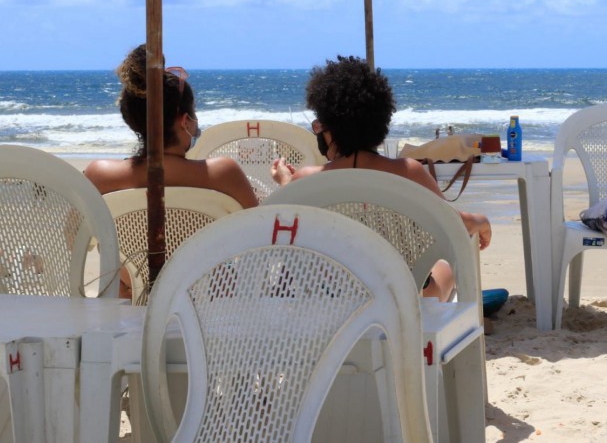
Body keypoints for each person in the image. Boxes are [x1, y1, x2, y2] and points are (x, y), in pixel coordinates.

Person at [272, 55, 492, 302]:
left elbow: (284, 221)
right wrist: (481, 221)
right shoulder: (409, 172)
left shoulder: (305, 180)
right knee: (445, 268)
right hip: (402, 303)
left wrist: (286, 184)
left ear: (330, 128)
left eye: (318, 125)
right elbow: (452, 225)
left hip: (333, 303)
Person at [84, 44, 258, 297]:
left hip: (134, 310)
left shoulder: (100, 175)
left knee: (120, 274)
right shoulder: (222, 174)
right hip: (209, 306)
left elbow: (74, 241)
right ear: (185, 120)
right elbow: (262, 236)